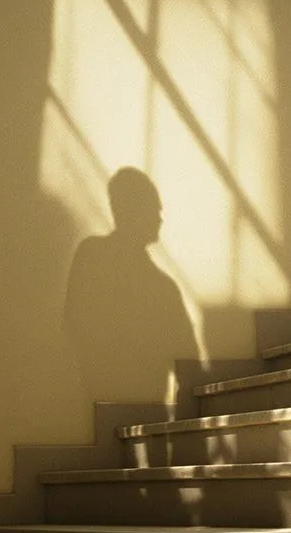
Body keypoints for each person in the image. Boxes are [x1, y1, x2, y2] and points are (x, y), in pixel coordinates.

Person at [64, 168, 198, 399]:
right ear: (131, 211)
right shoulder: (162, 287)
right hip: (127, 402)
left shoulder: (92, 256)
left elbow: (74, 323)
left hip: (107, 398)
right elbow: (189, 364)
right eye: (154, 209)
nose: (160, 219)